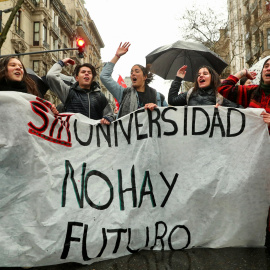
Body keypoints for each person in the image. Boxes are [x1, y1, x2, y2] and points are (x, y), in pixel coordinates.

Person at [100, 42, 168, 118]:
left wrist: (157, 109)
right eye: (131, 72)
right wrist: (117, 56)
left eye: (137, 71)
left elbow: (167, 116)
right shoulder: (124, 93)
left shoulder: (158, 97)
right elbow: (104, 76)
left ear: (145, 77)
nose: (133, 74)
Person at [46, 58, 114, 125]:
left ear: (93, 78)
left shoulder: (100, 96)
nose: (86, 74)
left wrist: (107, 119)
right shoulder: (68, 92)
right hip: (72, 135)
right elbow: (51, 75)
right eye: (83, 72)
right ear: (77, 78)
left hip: (93, 135)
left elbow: (110, 115)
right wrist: (61, 63)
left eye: (89, 73)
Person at [218, 60, 270, 127]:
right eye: (266, 66)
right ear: (262, 72)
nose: (268, 69)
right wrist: (243, 73)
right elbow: (223, 88)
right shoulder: (252, 91)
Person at [168, 65, 241, 108]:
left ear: (212, 77)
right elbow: (172, 100)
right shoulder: (190, 93)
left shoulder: (221, 94)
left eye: (205, 74)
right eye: (199, 75)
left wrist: (224, 109)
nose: (201, 76)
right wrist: (178, 79)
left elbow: (240, 110)